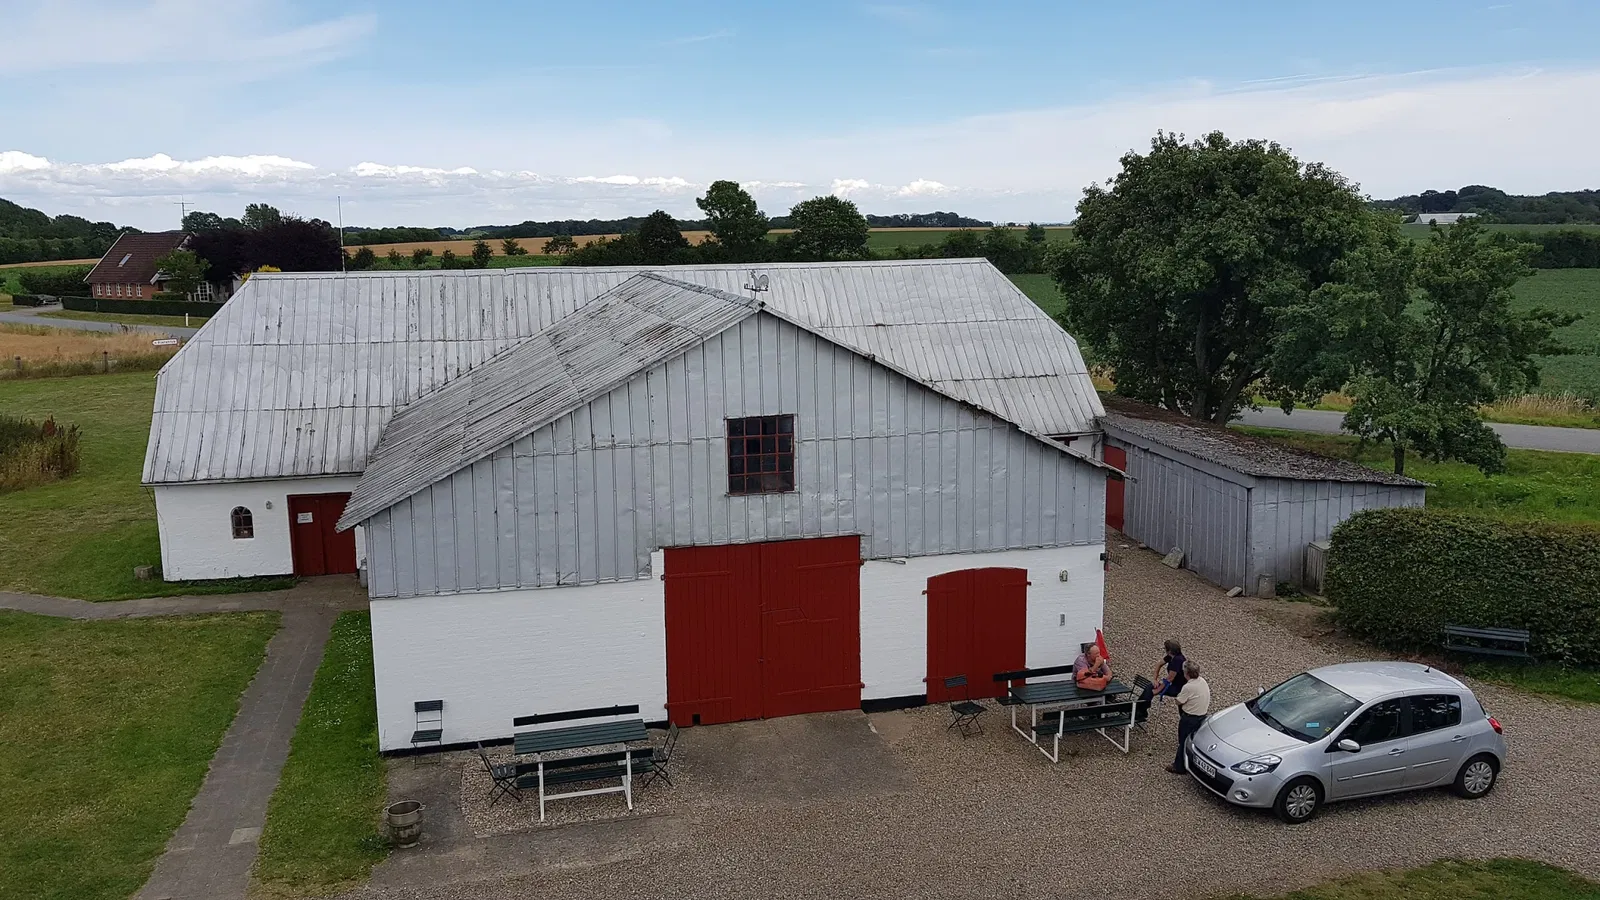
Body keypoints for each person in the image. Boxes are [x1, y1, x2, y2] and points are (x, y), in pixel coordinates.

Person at [1168, 660, 1210, 774]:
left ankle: (1179, 766)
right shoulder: (1202, 681)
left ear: (1186, 673)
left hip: (1189, 718)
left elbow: (1179, 701)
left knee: (1183, 741)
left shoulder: (1188, 687)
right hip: (1202, 715)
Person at [1140, 639, 1187, 704]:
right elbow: (1159, 664)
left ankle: (1139, 709)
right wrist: (1155, 679)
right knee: (1150, 687)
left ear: (1169, 651)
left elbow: (1170, 679)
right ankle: (1139, 708)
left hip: (1177, 688)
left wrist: (1157, 690)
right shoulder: (1171, 656)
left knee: (1149, 690)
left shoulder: (1177, 660)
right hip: (1172, 684)